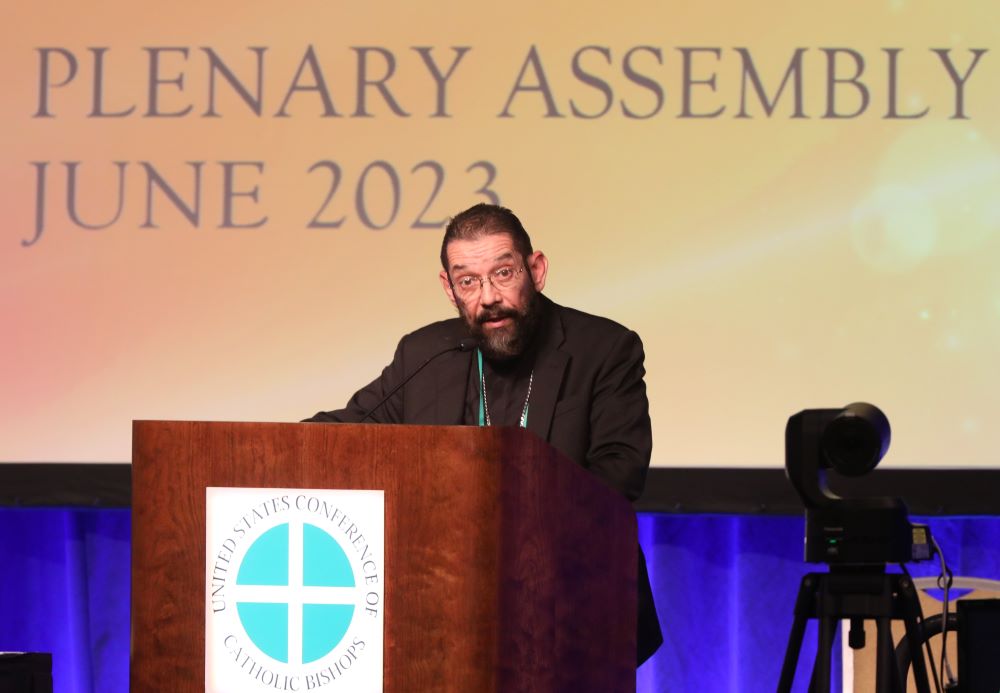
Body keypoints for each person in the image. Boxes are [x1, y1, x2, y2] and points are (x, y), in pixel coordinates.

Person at [305, 202, 663, 665]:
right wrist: (262, 445)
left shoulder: (604, 349)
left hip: (576, 604)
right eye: (468, 281)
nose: (488, 296)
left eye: (503, 273)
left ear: (536, 270)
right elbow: (354, 427)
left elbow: (621, 472)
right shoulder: (425, 354)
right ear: (449, 288)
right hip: (443, 606)